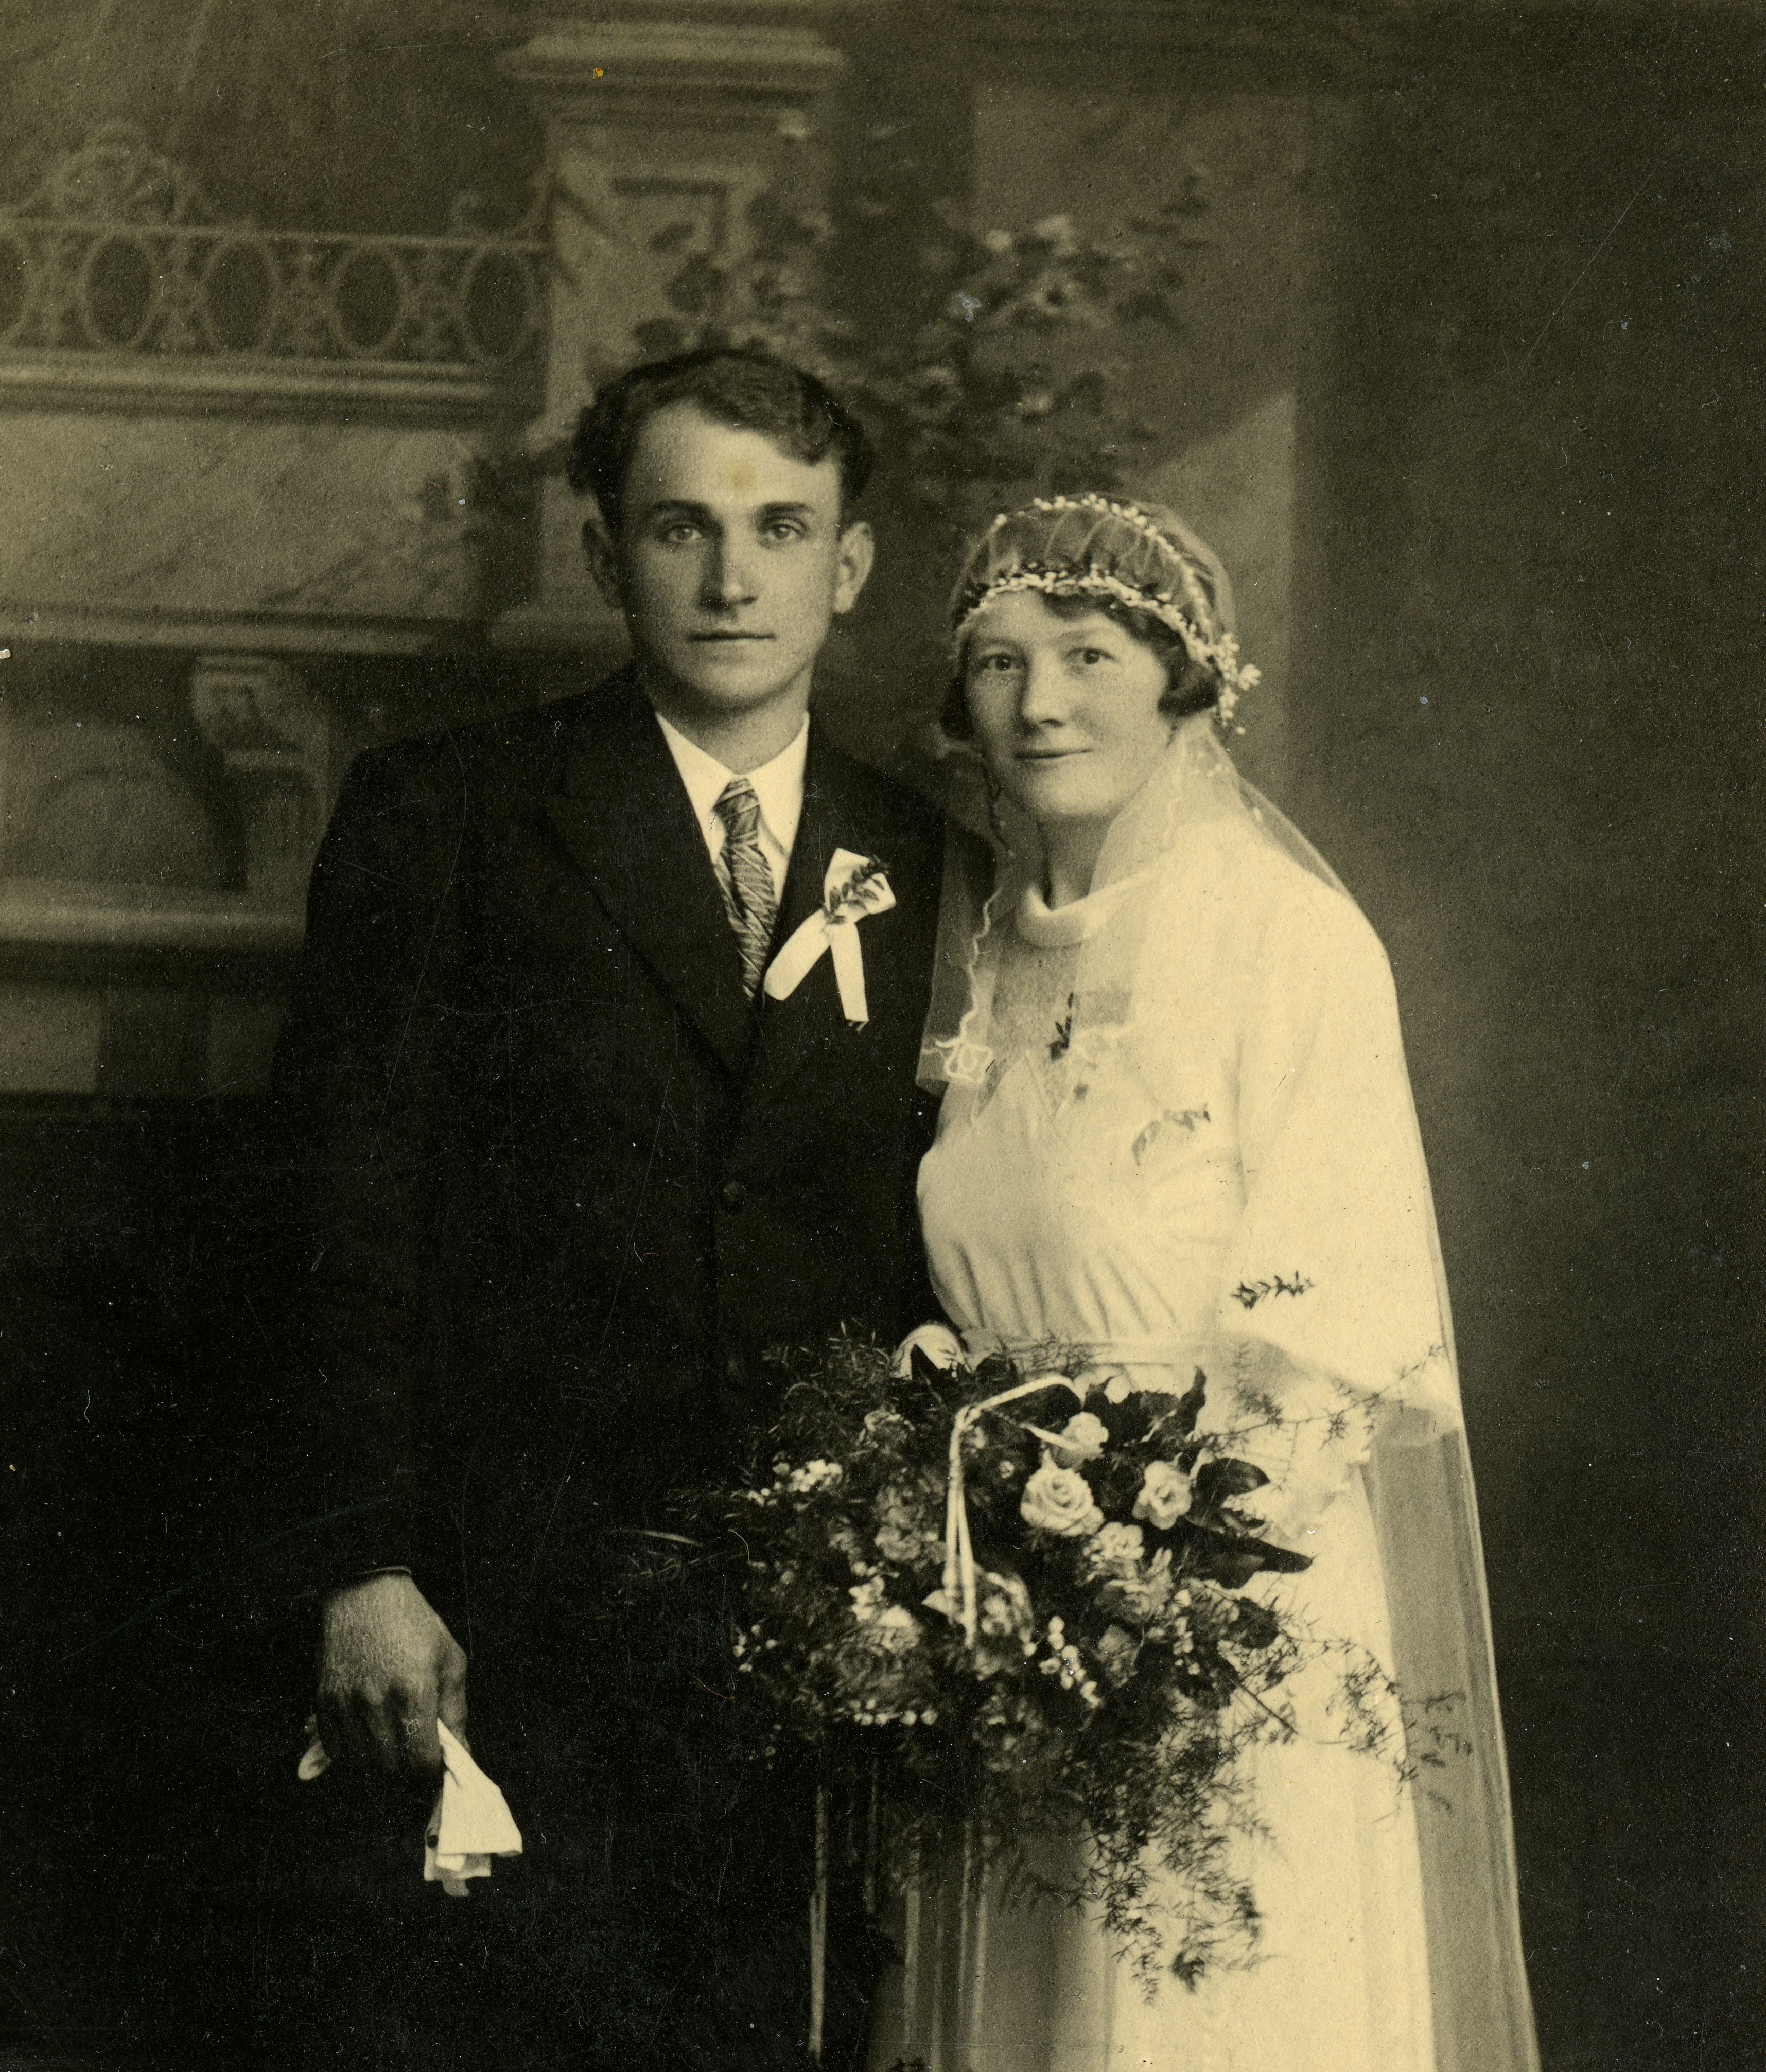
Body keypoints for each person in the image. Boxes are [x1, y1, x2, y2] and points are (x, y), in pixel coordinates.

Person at [261, 349, 956, 2071]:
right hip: (508, 1591)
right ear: (602, 554)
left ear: (850, 566)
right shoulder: (449, 810)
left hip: (814, 1616)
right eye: (680, 527)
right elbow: (339, 1208)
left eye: (780, 529)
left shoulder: (926, 854)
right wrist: (363, 1558)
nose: (732, 579)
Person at [867, 494, 1538, 2071]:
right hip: (1002, 1620)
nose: (1040, 701)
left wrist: (1149, 1584)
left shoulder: (1286, 937)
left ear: (1184, 684)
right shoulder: (986, 952)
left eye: (1089, 655)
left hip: (1219, 1627)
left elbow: (1339, 1330)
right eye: (999, 661)